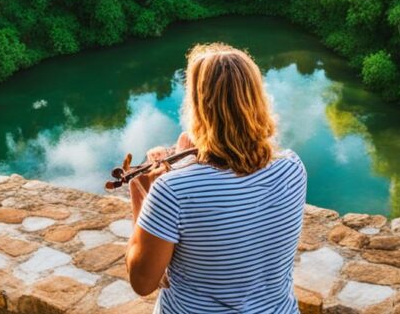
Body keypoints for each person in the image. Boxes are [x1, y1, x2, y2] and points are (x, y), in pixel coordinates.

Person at [126, 43, 308, 313]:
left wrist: (144, 196)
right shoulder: (292, 167)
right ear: (257, 99)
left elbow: (143, 281)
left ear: (199, 107)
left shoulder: (172, 191)